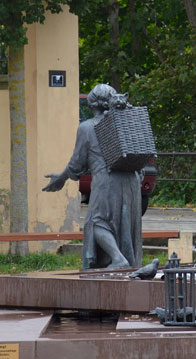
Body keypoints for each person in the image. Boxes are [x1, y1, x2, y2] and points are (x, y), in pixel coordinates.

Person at [43, 83, 142, 269]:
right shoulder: (124, 125)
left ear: (93, 103)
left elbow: (76, 163)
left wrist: (61, 178)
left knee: (96, 221)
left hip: (107, 181)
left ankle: (118, 259)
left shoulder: (87, 128)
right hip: (132, 180)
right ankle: (125, 261)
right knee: (125, 223)